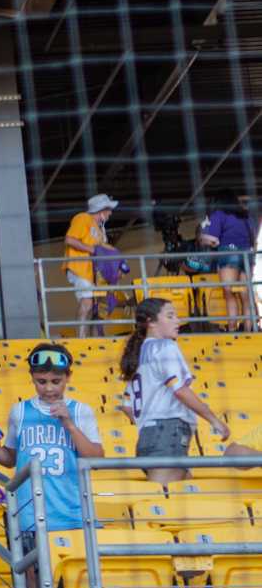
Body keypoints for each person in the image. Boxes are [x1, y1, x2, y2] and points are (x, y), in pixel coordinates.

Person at [0, 342, 100, 588]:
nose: (48, 389)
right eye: (41, 381)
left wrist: (68, 423)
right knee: (34, 581)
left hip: (71, 509)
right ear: (32, 378)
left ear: (68, 378)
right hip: (30, 511)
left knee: (77, 580)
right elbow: (12, 459)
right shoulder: (19, 411)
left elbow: (95, 457)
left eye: (56, 382)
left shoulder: (81, 411)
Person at [120, 297, 232, 485]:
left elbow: (126, 406)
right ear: (151, 322)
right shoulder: (165, 346)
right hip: (167, 433)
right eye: (170, 316)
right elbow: (179, 390)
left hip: (148, 438)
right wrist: (214, 420)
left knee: (185, 494)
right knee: (166, 499)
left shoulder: (139, 355)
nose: (178, 321)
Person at [64, 194, 119, 334]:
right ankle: (81, 339)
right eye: (109, 209)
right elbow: (69, 240)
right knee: (87, 302)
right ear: (101, 210)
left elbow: (103, 249)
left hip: (95, 273)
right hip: (81, 268)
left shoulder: (100, 230)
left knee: (97, 306)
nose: (110, 213)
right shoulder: (83, 218)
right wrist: (94, 250)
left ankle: (94, 339)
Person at [200, 199, 255, 331]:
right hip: (247, 255)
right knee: (246, 296)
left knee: (229, 293)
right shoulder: (245, 216)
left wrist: (209, 241)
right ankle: (250, 331)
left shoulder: (218, 214)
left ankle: (231, 330)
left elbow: (211, 238)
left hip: (229, 253)